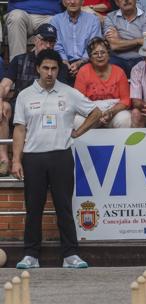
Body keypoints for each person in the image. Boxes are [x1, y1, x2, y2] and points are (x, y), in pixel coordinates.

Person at [11, 49, 102, 269]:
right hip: (33, 158)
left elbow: (96, 112)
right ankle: (30, 255)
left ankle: (70, 255)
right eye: (45, 68)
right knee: (34, 208)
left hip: (61, 155)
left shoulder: (69, 93)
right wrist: (16, 159)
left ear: (58, 70)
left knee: (64, 207)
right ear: (37, 69)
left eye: (53, 69)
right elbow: (20, 129)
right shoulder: (25, 95)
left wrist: (78, 133)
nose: (50, 73)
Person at [0, 24, 70, 177]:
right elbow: (5, 85)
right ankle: (4, 157)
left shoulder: (59, 66)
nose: (48, 46)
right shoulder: (19, 60)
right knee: (3, 106)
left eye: (52, 42)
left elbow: (65, 93)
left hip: (49, 107)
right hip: (20, 106)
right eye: (44, 41)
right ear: (35, 40)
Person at [74, 37, 132, 128]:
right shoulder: (83, 71)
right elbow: (78, 100)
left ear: (109, 55)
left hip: (113, 111)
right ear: (90, 57)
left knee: (125, 119)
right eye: (95, 53)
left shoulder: (119, 72)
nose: (100, 56)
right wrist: (95, 114)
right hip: (90, 111)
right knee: (77, 121)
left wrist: (111, 112)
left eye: (103, 52)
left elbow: (126, 100)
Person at [50, 0, 102, 81]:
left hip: (87, 60)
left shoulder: (93, 20)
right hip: (63, 61)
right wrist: (64, 61)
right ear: (63, 2)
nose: (72, 2)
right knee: (60, 72)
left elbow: (94, 44)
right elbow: (57, 44)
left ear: (82, 1)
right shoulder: (56, 20)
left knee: (90, 71)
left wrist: (80, 62)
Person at [103, 0, 146, 78]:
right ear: (117, 3)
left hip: (141, 58)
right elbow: (113, 46)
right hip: (117, 59)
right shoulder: (110, 17)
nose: (126, 0)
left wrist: (120, 40)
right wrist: (138, 41)